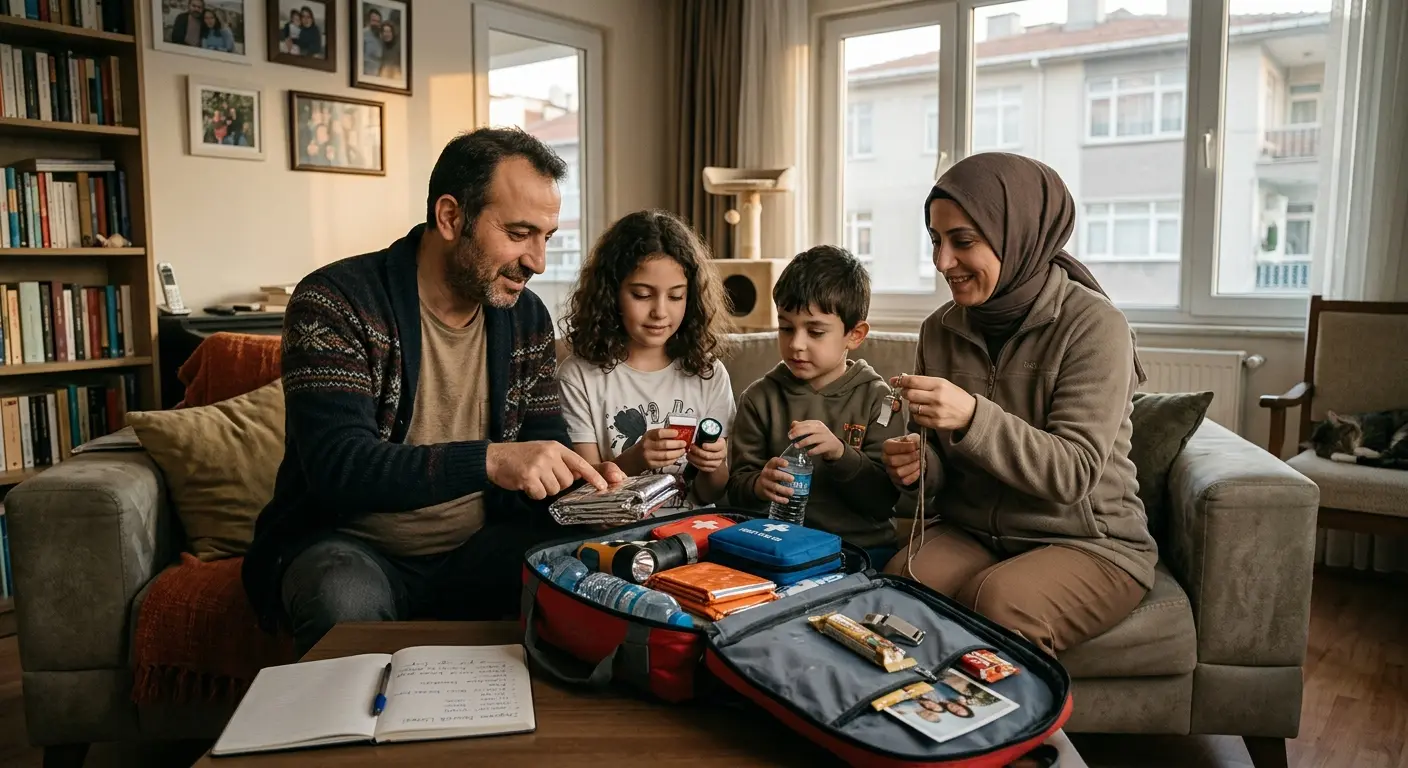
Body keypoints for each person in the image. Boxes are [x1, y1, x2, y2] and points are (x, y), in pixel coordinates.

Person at [242, 127, 623, 655]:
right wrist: (491, 460)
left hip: (476, 549)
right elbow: (338, 467)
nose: (536, 261)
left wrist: (592, 493)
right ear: (449, 217)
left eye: (547, 237)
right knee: (342, 593)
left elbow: (543, 443)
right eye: (519, 234)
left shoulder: (526, 317)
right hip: (350, 547)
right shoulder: (335, 301)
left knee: (589, 568)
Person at [881, 152, 1157, 656]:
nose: (943, 262)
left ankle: (1020, 715)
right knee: (901, 590)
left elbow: (1074, 473)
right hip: (975, 532)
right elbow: (941, 471)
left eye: (963, 241)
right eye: (936, 241)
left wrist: (971, 416)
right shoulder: (938, 329)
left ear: (1018, 235)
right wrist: (920, 467)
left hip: (1090, 542)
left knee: (1000, 602)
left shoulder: (1095, 326)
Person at [726, 246, 904, 565]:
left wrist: (840, 454)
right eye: (786, 328)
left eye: (815, 332)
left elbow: (882, 501)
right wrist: (759, 484)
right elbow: (735, 490)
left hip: (859, 550)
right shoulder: (759, 398)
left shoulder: (881, 402)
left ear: (855, 335)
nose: (796, 344)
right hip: (778, 549)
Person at [557, 210, 735, 508]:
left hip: (693, 527)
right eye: (642, 295)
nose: (660, 312)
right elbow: (585, 499)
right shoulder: (579, 377)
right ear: (612, 294)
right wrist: (635, 460)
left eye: (676, 296)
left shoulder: (709, 373)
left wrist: (713, 464)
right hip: (616, 528)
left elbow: (710, 494)